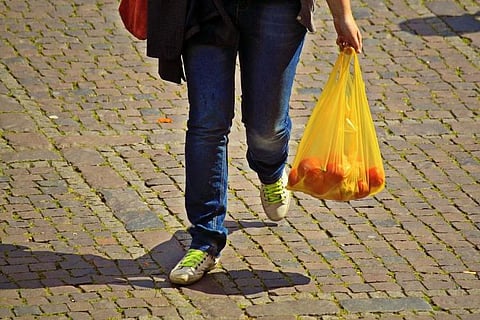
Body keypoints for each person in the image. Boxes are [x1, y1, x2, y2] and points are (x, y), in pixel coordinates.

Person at [147, 0, 363, 285]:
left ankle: (271, 169)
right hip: (205, 7)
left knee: (266, 129)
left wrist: (342, 14)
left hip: (276, 8)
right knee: (207, 123)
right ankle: (204, 240)